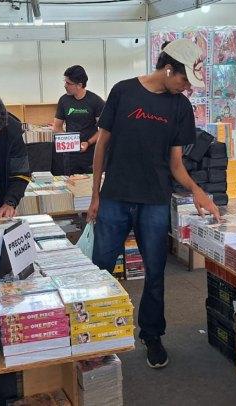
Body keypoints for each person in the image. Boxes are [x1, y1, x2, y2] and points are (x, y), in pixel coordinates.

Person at [87, 39, 220, 369]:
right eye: (185, 79)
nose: (187, 87)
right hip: (115, 197)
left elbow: (176, 163)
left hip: (155, 201)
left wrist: (197, 191)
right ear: (169, 69)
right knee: (100, 270)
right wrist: (95, 195)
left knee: (156, 272)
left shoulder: (180, 108)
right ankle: (96, 334)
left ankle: (152, 335)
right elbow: (102, 145)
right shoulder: (123, 92)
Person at [53, 65, 105, 175]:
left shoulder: (95, 101)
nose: (65, 85)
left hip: (90, 155)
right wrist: (71, 142)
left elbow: (103, 130)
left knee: (89, 183)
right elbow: (57, 127)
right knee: (71, 183)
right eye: (65, 82)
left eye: (68, 83)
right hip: (70, 157)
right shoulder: (63, 100)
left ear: (79, 85)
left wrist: (88, 142)